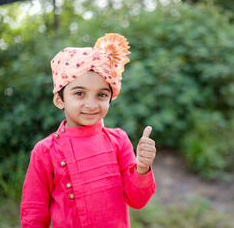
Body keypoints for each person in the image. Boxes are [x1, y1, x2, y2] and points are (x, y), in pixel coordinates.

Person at [20, 33, 156, 227]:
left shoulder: (118, 141)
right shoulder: (45, 152)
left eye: (101, 94)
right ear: (60, 99)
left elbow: (137, 201)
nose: (91, 105)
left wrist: (142, 168)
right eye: (79, 93)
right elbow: (34, 214)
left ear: (111, 98)